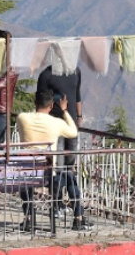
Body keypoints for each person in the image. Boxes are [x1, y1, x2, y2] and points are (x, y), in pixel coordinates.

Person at [15, 89, 91, 231]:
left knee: (28, 182)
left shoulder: (22, 118)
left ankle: (29, 218)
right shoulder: (56, 123)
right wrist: (64, 111)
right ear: (51, 106)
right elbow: (73, 132)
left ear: (35, 103)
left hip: (27, 173)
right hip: (49, 176)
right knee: (69, 176)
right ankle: (78, 218)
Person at [37, 64, 85, 225]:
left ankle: (65, 206)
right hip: (54, 127)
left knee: (68, 169)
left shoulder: (75, 70)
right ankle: (58, 205)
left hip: (70, 126)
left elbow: (77, 96)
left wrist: (79, 116)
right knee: (57, 170)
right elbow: (40, 100)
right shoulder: (47, 75)